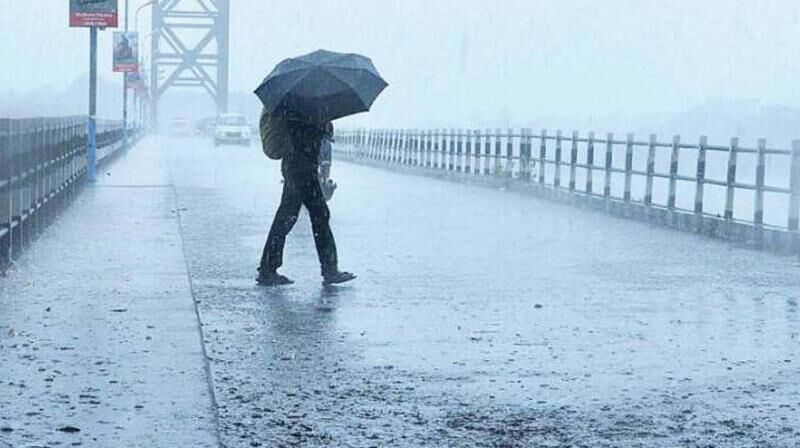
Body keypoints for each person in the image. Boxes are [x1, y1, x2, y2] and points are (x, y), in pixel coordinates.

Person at [257, 115, 355, 286]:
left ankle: (268, 268)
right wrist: (321, 126)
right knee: (313, 216)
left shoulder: (300, 108)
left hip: (299, 166)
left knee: (291, 217)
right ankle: (329, 269)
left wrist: (323, 126)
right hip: (301, 168)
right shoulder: (301, 110)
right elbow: (304, 134)